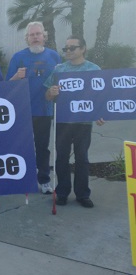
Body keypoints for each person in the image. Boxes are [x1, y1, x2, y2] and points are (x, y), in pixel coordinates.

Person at [45, 36, 105, 208]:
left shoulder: (94, 69)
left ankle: (82, 194)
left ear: (83, 48)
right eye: (66, 49)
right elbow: (47, 96)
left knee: (82, 159)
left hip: (84, 123)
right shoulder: (59, 69)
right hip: (62, 121)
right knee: (61, 158)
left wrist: (100, 114)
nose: (68, 51)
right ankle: (62, 192)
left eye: (73, 48)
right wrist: (51, 91)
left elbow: (100, 96)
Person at [6, 22, 61, 194]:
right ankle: (23, 179)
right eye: (32, 35)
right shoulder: (18, 57)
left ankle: (44, 180)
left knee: (43, 147)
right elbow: (7, 85)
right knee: (22, 147)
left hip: (45, 110)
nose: (35, 37)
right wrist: (17, 76)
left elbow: (60, 81)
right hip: (22, 111)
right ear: (27, 38)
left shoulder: (54, 57)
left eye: (38, 34)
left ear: (44, 36)